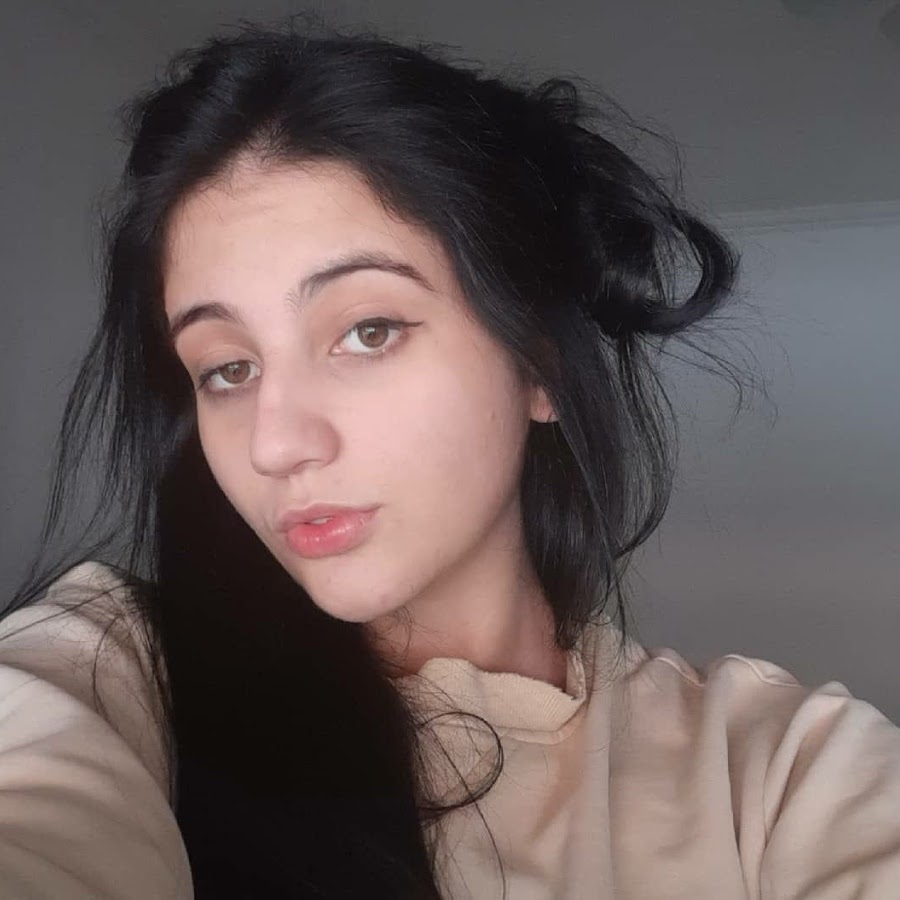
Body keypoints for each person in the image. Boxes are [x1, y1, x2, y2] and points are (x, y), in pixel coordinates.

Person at [3, 19, 900, 900]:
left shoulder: (778, 773)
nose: (275, 444)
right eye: (227, 369)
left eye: (368, 330)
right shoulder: (109, 673)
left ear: (540, 364)